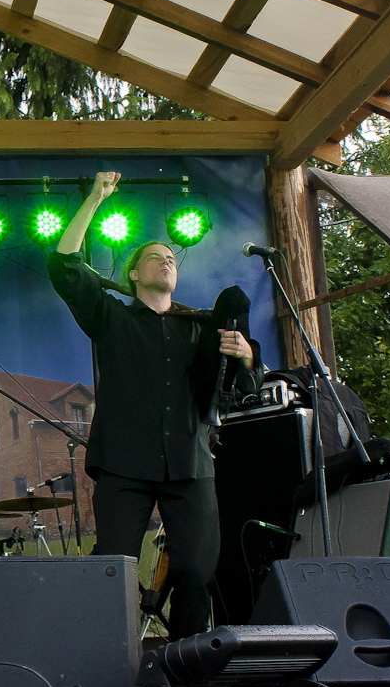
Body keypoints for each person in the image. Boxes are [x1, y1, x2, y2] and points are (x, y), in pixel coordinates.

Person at [48, 171, 255, 639]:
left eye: (171, 258)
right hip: (124, 464)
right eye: (154, 257)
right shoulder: (111, 317)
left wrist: (245, 354)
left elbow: (236, 384)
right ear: (134, 274)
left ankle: (186, 660)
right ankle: (112, 660)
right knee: (113, 569)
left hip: (189, 462)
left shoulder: (200, 328)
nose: (165, 262)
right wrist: (95, 199)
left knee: (197, 570)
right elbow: (65, 267)